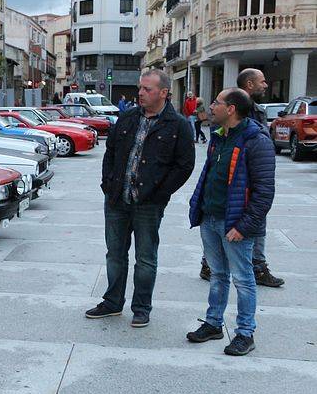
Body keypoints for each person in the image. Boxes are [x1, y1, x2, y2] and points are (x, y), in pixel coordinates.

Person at [86, 69, 195, 327]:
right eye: (140, 88)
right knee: (115, 254)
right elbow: (110, 152)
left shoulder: (178, 125)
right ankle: (112, 302)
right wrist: (108, 183)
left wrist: (160, 193)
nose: (141, 93)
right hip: (116, 200)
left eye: (147, 89)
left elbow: (184, 166)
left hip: (148, 204)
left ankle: (142, 308)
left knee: (145, 258)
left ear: (164, 93)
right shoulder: (128, 117)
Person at [186, 88, 275, 356]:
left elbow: (264, 193)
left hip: (235, 224)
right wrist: (198, 209)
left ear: (232, 109)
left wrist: (243, 227)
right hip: (210, 218)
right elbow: (210, 175)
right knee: (217, 275)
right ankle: (213, 323)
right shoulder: (218, 137)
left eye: (217, 102)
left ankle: (245, 333)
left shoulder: (256, 141)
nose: (211, 107)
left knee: (244, 279)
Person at [199, 68, 283, 287]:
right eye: (262, 82)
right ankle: (211, 263)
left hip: (252, 185)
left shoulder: (257, 117)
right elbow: (214, 166)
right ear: (249, 84)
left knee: (256, 224)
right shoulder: (223, 122)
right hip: (230, 195)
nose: (265, 85)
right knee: (229, 270)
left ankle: (258, 265)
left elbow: (264, 186)